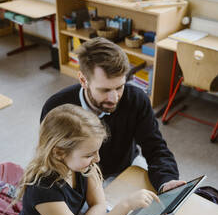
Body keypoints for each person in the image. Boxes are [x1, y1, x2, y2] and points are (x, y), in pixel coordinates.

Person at [11, 104, 159, 215]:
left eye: (96, 151)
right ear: (59, 153)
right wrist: (125, 206)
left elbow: (99, 204)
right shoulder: (43, 187)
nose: (97, 159)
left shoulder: (82, 165)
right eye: (89, 155)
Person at [40, 37, 184, 193]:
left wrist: (167, 181)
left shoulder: (136, 99)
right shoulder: (56, 107)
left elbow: (156, 148)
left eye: (119, 87)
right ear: (83, 80)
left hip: (126, 167)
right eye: (105, 90)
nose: (114, 98)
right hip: (79, 176)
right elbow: (52, 160)